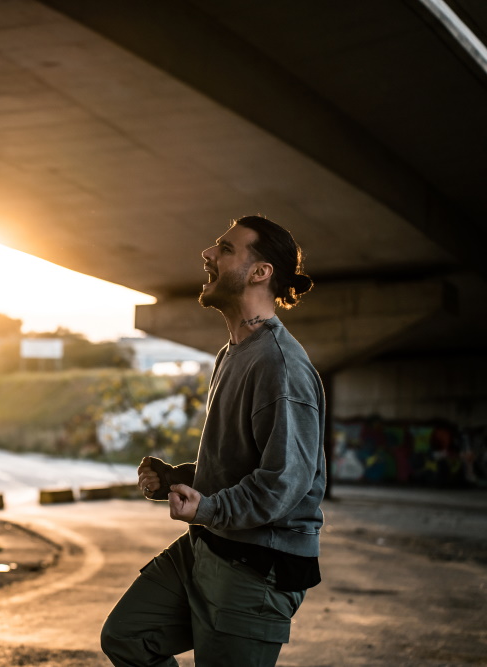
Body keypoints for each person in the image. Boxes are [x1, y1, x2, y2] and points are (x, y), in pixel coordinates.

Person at [101, 215, 326, 667]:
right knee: (127, 637)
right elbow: (241, 461)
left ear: (260, 272)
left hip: (256, 567)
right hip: (210, 545)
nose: (207, 254)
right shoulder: (233, 353)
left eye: (224, 248)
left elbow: (282, 482)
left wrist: (206, 508)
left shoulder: (280, 366)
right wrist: (179, 480)